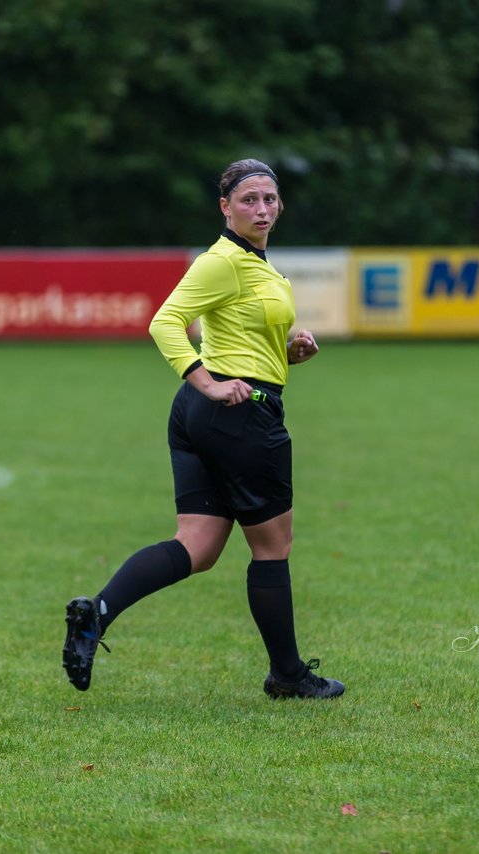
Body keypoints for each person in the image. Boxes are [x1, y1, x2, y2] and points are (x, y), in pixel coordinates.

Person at [61, 158, 344, 699]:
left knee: (197, 544)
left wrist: (288, 353)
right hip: (236, 414)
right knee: (272, 547)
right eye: (249, 200)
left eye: (270, 199)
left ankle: (96, 614)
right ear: (225, 207)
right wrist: (208, 381)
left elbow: (241, 341)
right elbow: (164, 321)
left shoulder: (253, 264)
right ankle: (287, 676)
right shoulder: (223, 262)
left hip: (205, 413)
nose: (262, 209)